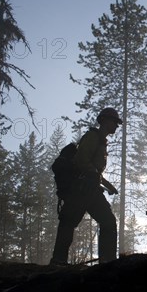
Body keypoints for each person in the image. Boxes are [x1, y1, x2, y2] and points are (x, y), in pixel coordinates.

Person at [50, 107, 122, 265]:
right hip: (80, 189)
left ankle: (107, 261)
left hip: (90, 189)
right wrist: (95, 176)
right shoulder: (92, 137)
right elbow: (81, 160)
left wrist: (108, 186)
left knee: (107, 221)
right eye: (115, 122)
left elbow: (94, 169)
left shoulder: (101, 141)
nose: (117, 126)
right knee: (69, 222)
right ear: (104, 120)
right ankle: (58, 261)